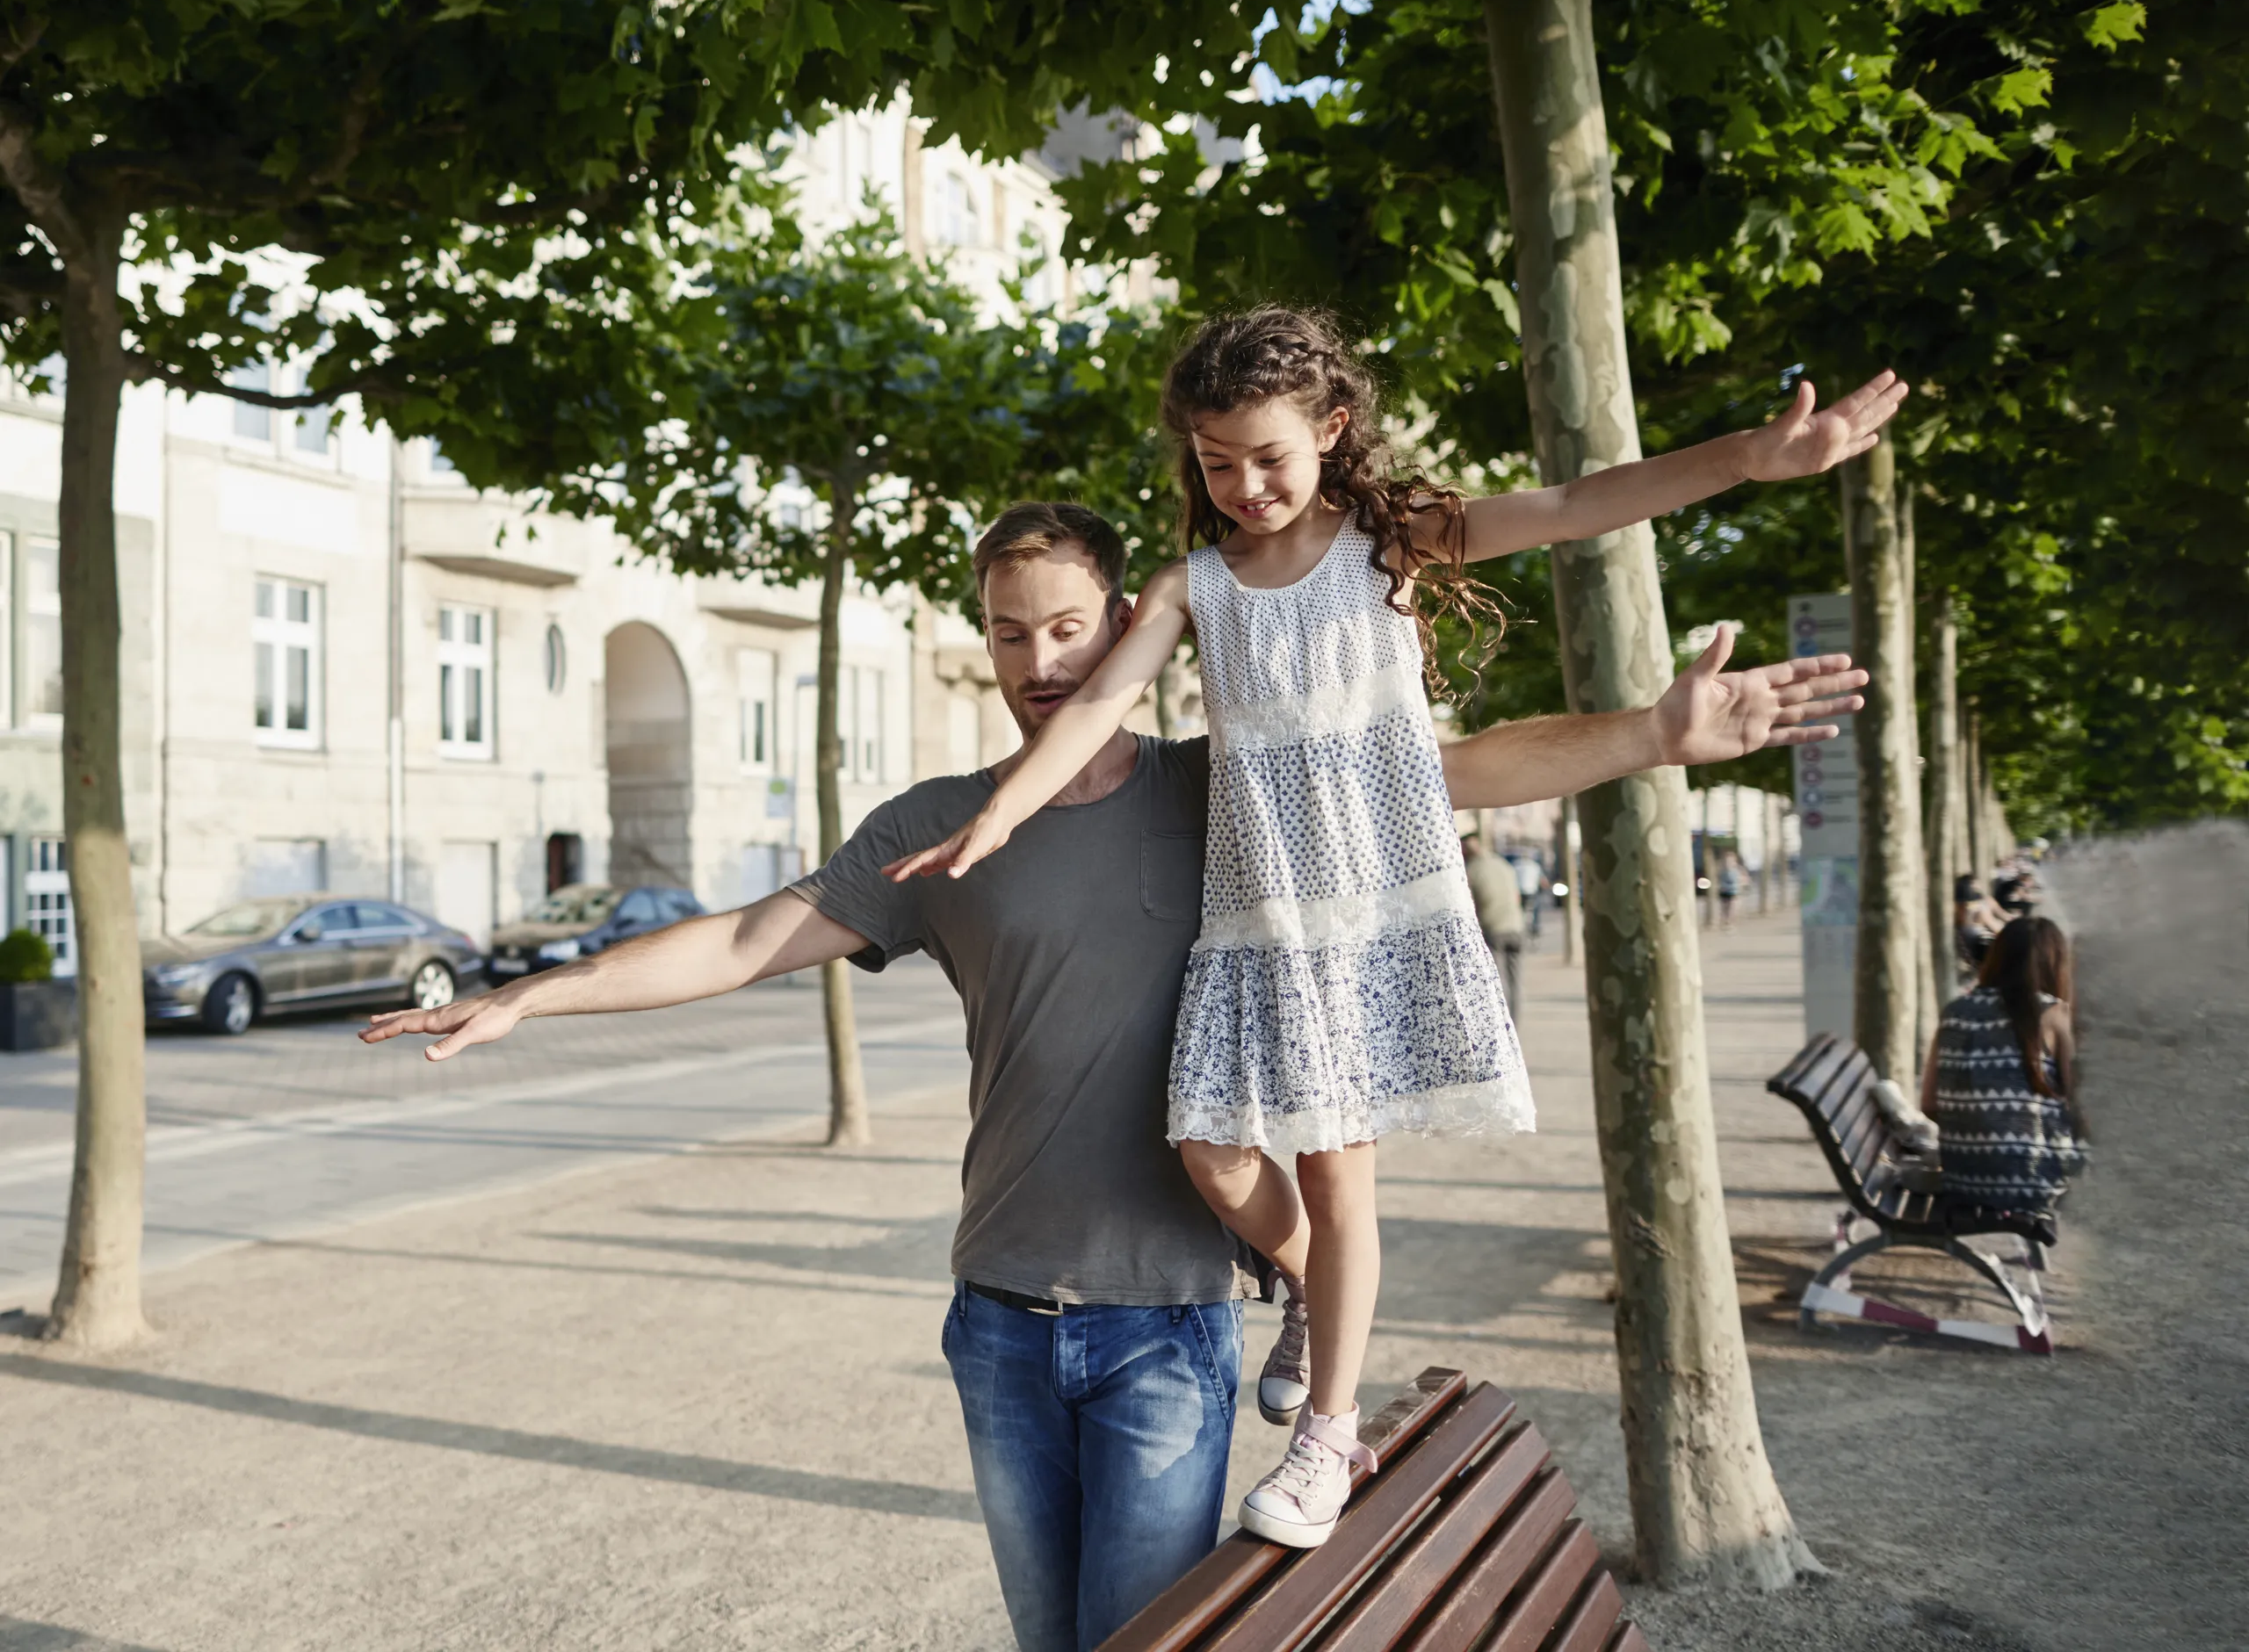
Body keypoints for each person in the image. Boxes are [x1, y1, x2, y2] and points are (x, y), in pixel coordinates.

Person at [359, 503, 1865, 1652]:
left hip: (1164, 1324)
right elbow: (744, 941)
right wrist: (532, 997)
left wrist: (1655, 738)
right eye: (1008, 633)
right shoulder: (942, 826)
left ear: (1125, 624)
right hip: (998, 1318)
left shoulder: (1226, 786)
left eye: (1066, 627)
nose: (1038, 662)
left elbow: (1457, 764)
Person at [887, 306, 1907, 1547]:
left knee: (1336, 1168)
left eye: (1268, 456)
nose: (1245, 487)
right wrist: (1000, 814)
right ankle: (1318, 1289)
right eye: (1216, 464)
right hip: (1257, 926)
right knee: (1208, 1152)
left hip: (1369, 917)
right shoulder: (1193, 584)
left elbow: (1582, 500)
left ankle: (1326, 1441)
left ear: (1330, 428)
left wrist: (1749, 458)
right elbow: (1101, 700)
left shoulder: (1390, 541)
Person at [1920, 915, 2088, 1215]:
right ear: (2056, 965)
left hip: (1963, 1179)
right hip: (2034, 1182)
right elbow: (2082, 1107)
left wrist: (1979, 1128)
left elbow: (1930, 1103)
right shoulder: (2054, 1013)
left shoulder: (1954, 1011)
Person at [1462, 833, 1525, 1019]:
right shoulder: (1503, 864)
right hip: (1515, 926)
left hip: (1493, 929)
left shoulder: (1471, 870)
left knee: (1497, 982)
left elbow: (1470, 905)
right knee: (1515, 981)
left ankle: (1503, 1023)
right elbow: (1516, 895)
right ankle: (1515, 1022)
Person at [1953, 875, 2007, 982]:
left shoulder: (1962, 908)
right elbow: (2001, 933)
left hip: (1978, 950)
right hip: (1982, 954)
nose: (1979, 888)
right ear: (1969, 887)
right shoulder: (1977, 910)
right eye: (1976, 886)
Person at [1716, 849, 1746, 928]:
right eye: (1727, 860)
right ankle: (1726, 922)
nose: (1728, 862)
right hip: (1724, 891)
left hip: (1734, 891)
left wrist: (1742, 884)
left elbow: (1743, 878)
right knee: (1725, 909)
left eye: (1730, 860)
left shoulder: (1738, 870)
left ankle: (1730, 923)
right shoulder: (1721, 870)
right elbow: (1717, 879)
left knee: (1733, 908)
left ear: (1734, 861)